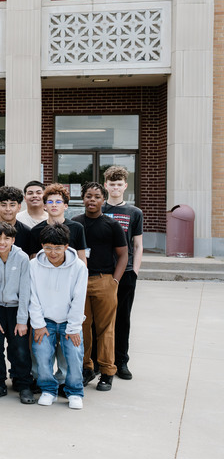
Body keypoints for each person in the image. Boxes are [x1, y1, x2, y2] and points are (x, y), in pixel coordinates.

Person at [73, 182, 128, 392]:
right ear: (83, 198)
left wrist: (115, 280)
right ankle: (86, 368)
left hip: (104, 279)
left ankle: (107, 371)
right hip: (80, 282)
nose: (92, 200)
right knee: (82, 327)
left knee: (105, 329)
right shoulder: (76, 223)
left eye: (96, 196)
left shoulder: (112, 225)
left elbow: (123, 254)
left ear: (103, 200)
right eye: (88, 196)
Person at [29, 224, 88, 409]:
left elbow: (79, 299)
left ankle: (75, 391)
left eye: (57, 248)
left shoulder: (78, 266)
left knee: (74, 356)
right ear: (42, 246)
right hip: (45, 320)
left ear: (66, 246)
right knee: (42, 355)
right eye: (47, 248)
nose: (52, 253)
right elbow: (33, 296)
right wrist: (38, 324)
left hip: (69, 321)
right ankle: (48, 390)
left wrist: (73, 327)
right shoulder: (33, 265)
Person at [0, 221, 34, 403]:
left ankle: (24, 383)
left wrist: (22, 320)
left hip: (16, 309)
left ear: (13, 239)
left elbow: (25, 290)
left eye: (7, 238)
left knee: (19, 347)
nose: (2, 241)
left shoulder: (22, 258)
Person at [102, 165, 144, 381]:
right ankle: (100, 360)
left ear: (125, 186)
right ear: (106, 185)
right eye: (112, 184)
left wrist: (134, 272)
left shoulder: (134, 212)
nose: (116, 188)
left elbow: (137, 246)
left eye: (119, 184)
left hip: (126, 273)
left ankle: (121, 361)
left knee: (122, 319)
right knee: (98, 320)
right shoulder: (98, 208)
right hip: (102, 272)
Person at [25, 184, 87, 261]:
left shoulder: (77, 228)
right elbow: (34, 259)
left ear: (65, 206)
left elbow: (82, 258)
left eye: (58, 202)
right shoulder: (36, 230)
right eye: (50, 202)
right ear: (45, 206)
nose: (54, 205)